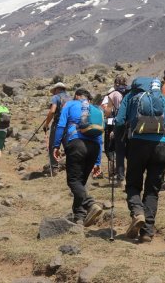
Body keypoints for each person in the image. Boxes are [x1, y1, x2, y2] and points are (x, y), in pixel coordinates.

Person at [115, 77, 165, 243]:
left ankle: (137, 212)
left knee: (133, 184)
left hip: (138, 144)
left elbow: (120, 121)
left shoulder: (130, 97)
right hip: (162, 146)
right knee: (152, 189)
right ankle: (147, 232)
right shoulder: (161, 98)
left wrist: (119, 138)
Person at [52, 88, 103, 226]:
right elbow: (99, 137)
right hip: (94, 147)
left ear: (77, 96)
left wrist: (56, 146)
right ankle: (79, 216)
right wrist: (98, 161)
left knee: (74, 181)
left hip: (77, 144)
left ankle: (90, 204)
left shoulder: (70, 104)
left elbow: (61, 125)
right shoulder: (96, 109)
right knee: (80, 183)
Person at [100, 75, 127, 185]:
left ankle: (120, 178)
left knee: (118, 151)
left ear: (115, 83)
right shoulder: (130, 93)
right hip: (130, 124)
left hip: (118, 124)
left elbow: (107, 112)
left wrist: (105, 109)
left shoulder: (113, 94)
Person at [42, 82, 70, 174]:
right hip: (69, 124)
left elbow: (52, 111)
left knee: (53, 145)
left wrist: (46, 124)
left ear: (57, 89)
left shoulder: (56, 97)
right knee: (68, 145)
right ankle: (72, 165)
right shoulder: (69, 98)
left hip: (58, 124)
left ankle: (54, 167)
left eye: (54, 91)